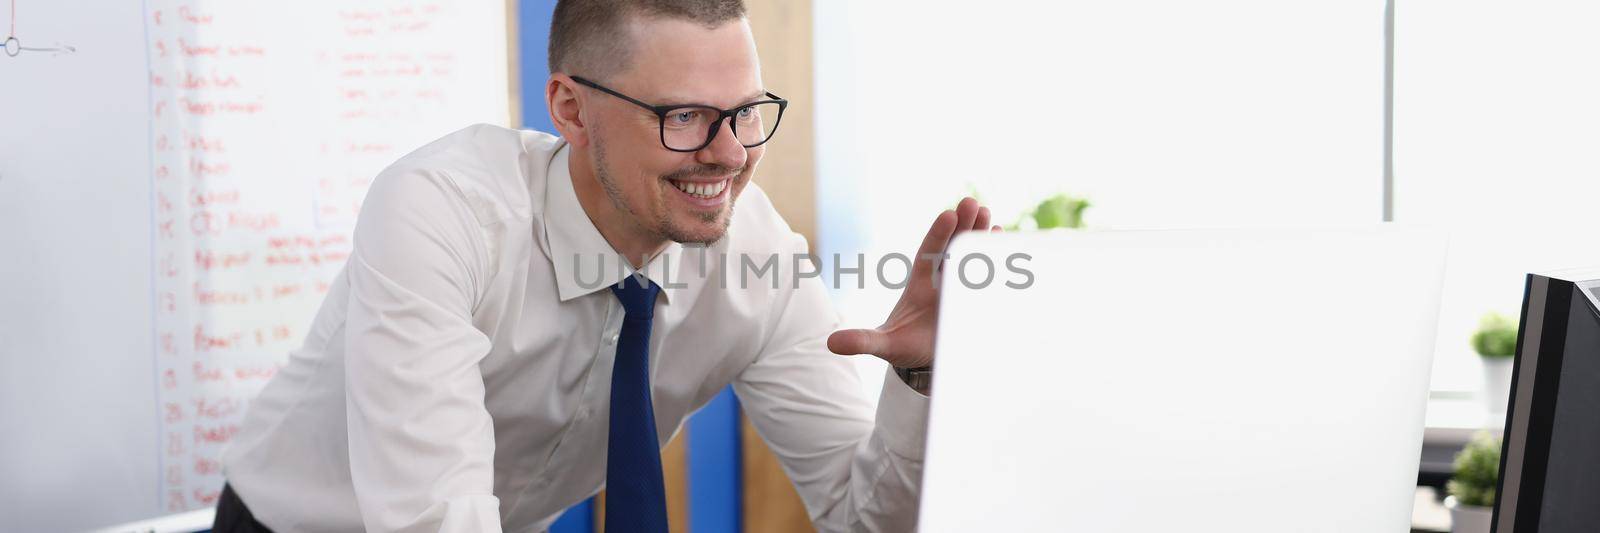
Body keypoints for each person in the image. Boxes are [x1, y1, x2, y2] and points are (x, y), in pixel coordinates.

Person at [215, 0, 999, 531]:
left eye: (749, 111)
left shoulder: (758, 260)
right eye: (684, 115)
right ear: (569, 109)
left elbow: (864, 519)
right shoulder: (440, 212)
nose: (730, 153)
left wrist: (923, 382)